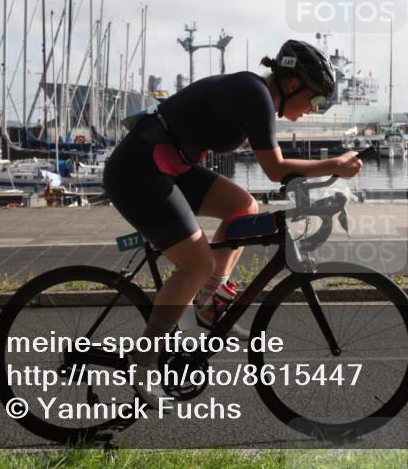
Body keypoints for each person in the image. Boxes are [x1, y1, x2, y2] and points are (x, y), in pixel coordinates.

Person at [101, 39, 363, 402]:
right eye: (315, 97)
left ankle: (208, 302)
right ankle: (143, 360)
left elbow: (276, 166)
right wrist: (334, 164)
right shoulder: (254, 94)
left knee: (243, 206)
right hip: (138, 171)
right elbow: (275, 169)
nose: (315, 107)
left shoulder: (259, 97)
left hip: (170, 165)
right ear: (292, 84)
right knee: (196, 264)